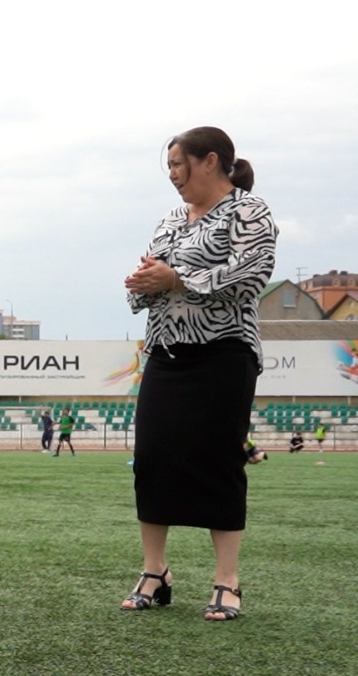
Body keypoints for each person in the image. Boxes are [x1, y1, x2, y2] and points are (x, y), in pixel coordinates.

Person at [121, 126, 276, 622]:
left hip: (224, 352)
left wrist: (176, 278)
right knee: (151, 458)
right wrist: (143, 282)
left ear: (210, 160)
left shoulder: (249, 211)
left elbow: (251, 275)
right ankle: (155, 571)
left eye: (177, 164)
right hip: (166, 352)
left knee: (218, 460)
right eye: (168, 167)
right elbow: (152, 282)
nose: (172, 175)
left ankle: (227, 580)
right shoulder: (170, 220)